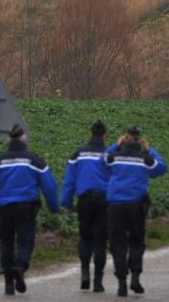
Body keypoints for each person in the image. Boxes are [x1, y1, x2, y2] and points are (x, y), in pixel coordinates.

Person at [0, 123, 60, 296]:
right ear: (24, 139)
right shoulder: (34, 160)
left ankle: (8, 283)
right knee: (25, 240)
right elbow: (49, 186)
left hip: (4, 208)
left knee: (6, 242)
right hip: (26, 207)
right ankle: (20, 267)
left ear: (9, 140)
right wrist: (54, 207)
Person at [104, 126, 167, 297]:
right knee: (136, 242)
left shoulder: (114, 157)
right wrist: (149, 149)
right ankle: (136, 277)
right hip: (136, 206)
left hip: (115, 205)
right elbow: (161, 167)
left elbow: (101, 160)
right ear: (140, 141)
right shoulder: (145, 158)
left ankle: (121, 283)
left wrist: (116, 145)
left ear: (125, 140)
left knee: (118, 244)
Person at [61, 119, 110, 292]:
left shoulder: (78, 154)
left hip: (84, 200)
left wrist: (66, 202)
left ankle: (84, 274)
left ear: (91, 133)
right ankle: (98, 281)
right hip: (104, 201)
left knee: (85, 237)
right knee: (100, 240)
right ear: (104, 135)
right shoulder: (108, 155)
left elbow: (69, 180)